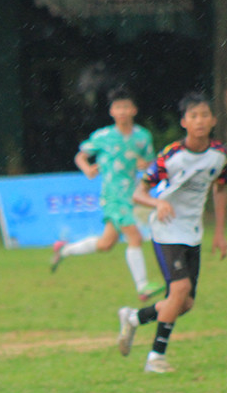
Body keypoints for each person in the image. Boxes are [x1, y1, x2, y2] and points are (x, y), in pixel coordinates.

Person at [117, 92, 227, 373]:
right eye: (193, 116)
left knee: (185, 303)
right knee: (180, 289)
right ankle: (155, 358)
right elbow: (138, 192)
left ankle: (133, 318)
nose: (200, 121)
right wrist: (158, 202)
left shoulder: (219, 156)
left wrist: (220, 232)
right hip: (166, 228)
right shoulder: (171, 155)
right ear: (184, 122)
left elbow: (221, 188)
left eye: (204, 115)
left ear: (213, 120)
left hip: (193, 232)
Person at [51, 86, 162, 302]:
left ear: (134, 110)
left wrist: (144, 164)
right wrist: (88, 169)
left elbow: (150, 162)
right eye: (117, 107)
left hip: (132, 195)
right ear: (111, 112)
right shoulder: (103, 136)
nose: (121, 111)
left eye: (125, 107)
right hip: (112, 195)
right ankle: (142, 287)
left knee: (106, 244)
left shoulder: (142, 136)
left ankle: (64, 250)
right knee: (135, 236)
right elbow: (80, 156)